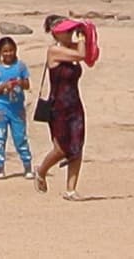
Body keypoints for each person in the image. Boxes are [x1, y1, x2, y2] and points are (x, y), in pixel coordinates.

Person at [35, 12, 98, 195]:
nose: (71, 33)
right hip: (59, 106)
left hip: (74, 104)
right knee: (61, 148)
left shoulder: (72, 48)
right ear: (56, 33)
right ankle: (41, 171)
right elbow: (81, 54)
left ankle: (71, 189)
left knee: (77, 147)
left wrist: (88, 33)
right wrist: (81, 38)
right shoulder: (54, 51)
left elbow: (89, 57)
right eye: (67, 31)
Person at [0, 34, 33, 178]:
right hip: (2, 108)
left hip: (17, 108)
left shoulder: (21, 66)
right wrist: (4, 86)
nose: (8, 54)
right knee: (0, 137)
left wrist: (19, 83)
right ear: (1, 52)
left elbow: (27, 85)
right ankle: (0, 167)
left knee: (20, 137)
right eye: (5, 51)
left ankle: (27, 166)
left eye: (11, 50)